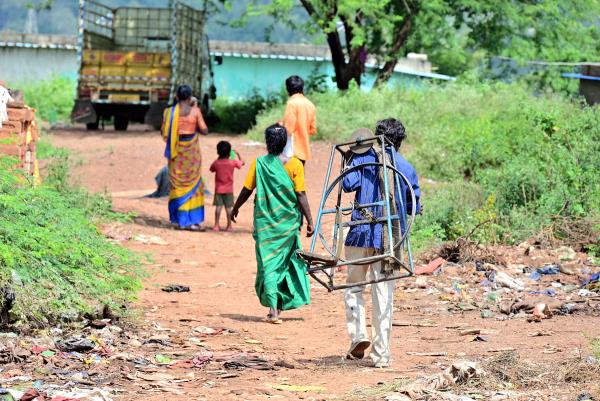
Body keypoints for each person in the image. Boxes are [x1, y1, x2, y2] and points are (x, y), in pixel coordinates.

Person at [342, 120, 421, 368]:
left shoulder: (362, 158)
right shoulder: (406, 168)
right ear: (399, 141)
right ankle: (381, 355)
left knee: (354, 286)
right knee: (383, 294)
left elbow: (346, 185)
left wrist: (348, 161)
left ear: (377, 138)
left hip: (359, 233)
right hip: (388, 242)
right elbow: (413, 206)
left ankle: (358, 336)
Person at [231, 123, 314, 324]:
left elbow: (246, 189)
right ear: (285, 142)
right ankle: (276, 306)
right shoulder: (295, 165)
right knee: (283, 262)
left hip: (266, 224)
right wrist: (310, 220)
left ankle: (274, 309)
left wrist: (236, 207)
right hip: (288, 224)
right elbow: (300, 194)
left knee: (269, 263)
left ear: (267, 143)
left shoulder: (259, 164)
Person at [161, 84, 208, 231]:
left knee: (177, 183)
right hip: (191, 153)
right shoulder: (195, 111)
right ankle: (191, 221)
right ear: (190, 98)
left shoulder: (169, 112)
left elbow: (164, 132)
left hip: (176, 152)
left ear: (176, 97)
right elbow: (205, 130)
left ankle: (177, 220)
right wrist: (195, 109)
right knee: (193, 184)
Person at [209, 141, 245, 232]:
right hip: (229, 190)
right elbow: (242, 163)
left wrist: (218, 159)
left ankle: (216, 225)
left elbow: (211, 169)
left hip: (218, 190)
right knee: (228, 209)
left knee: (218, 207)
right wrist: (238, 154)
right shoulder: (232, 162)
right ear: (229, 152)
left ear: (218, 152)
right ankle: (229, 226)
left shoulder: (216, 163)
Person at [281, 75, 317, 164]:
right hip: (303, 150)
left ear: (288, 89)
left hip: (291, 151)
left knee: (287, 177)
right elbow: (312, 130)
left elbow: (288, 129)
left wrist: (280, 124)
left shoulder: (291, 104)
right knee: (299, 176)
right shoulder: (310, 104)